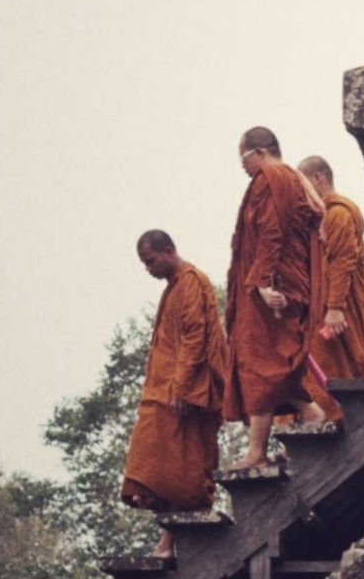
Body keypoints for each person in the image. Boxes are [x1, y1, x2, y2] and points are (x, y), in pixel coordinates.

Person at [223, 126, 331, 469]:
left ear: (258, 152)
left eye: (242, 157)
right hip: (291, 284)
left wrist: (264, 283)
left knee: (258, 364)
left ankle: (256, 453)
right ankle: (312, 414)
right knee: (277, 364)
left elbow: (271, 233)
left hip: (274, 290)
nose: (241, 166)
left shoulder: (270, 177)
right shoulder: (296, 180)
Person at [120, 230, 228, 559]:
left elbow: (195, 336)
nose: (148, 269)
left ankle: (169, 543)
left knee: (182, 467)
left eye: (150, 261)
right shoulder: (174, 286)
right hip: (164, 393)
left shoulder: (192, 281)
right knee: (159, 466)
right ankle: (167, 542)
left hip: (185, 394)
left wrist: (182, 386)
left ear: (168, 251)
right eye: (144, 263)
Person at [298, 156, 364, 400]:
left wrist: (335, 307)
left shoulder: (339, 213)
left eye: (303, 184)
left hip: (337, 309)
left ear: (317, 178)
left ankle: (340, 417)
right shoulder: (322, 216)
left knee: (339, 368)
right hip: (323, 306)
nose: (300, 193)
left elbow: (343, 261)